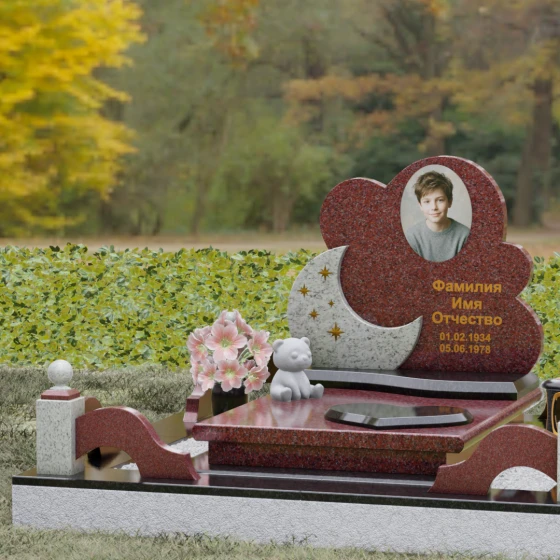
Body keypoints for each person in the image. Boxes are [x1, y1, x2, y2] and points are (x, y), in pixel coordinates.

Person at [405, 171, 470, 262]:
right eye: (427, 201)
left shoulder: (464, 236)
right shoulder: (411, 236)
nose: (434, 207)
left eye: (440, 200)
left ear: (450, 202)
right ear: (420, 205)